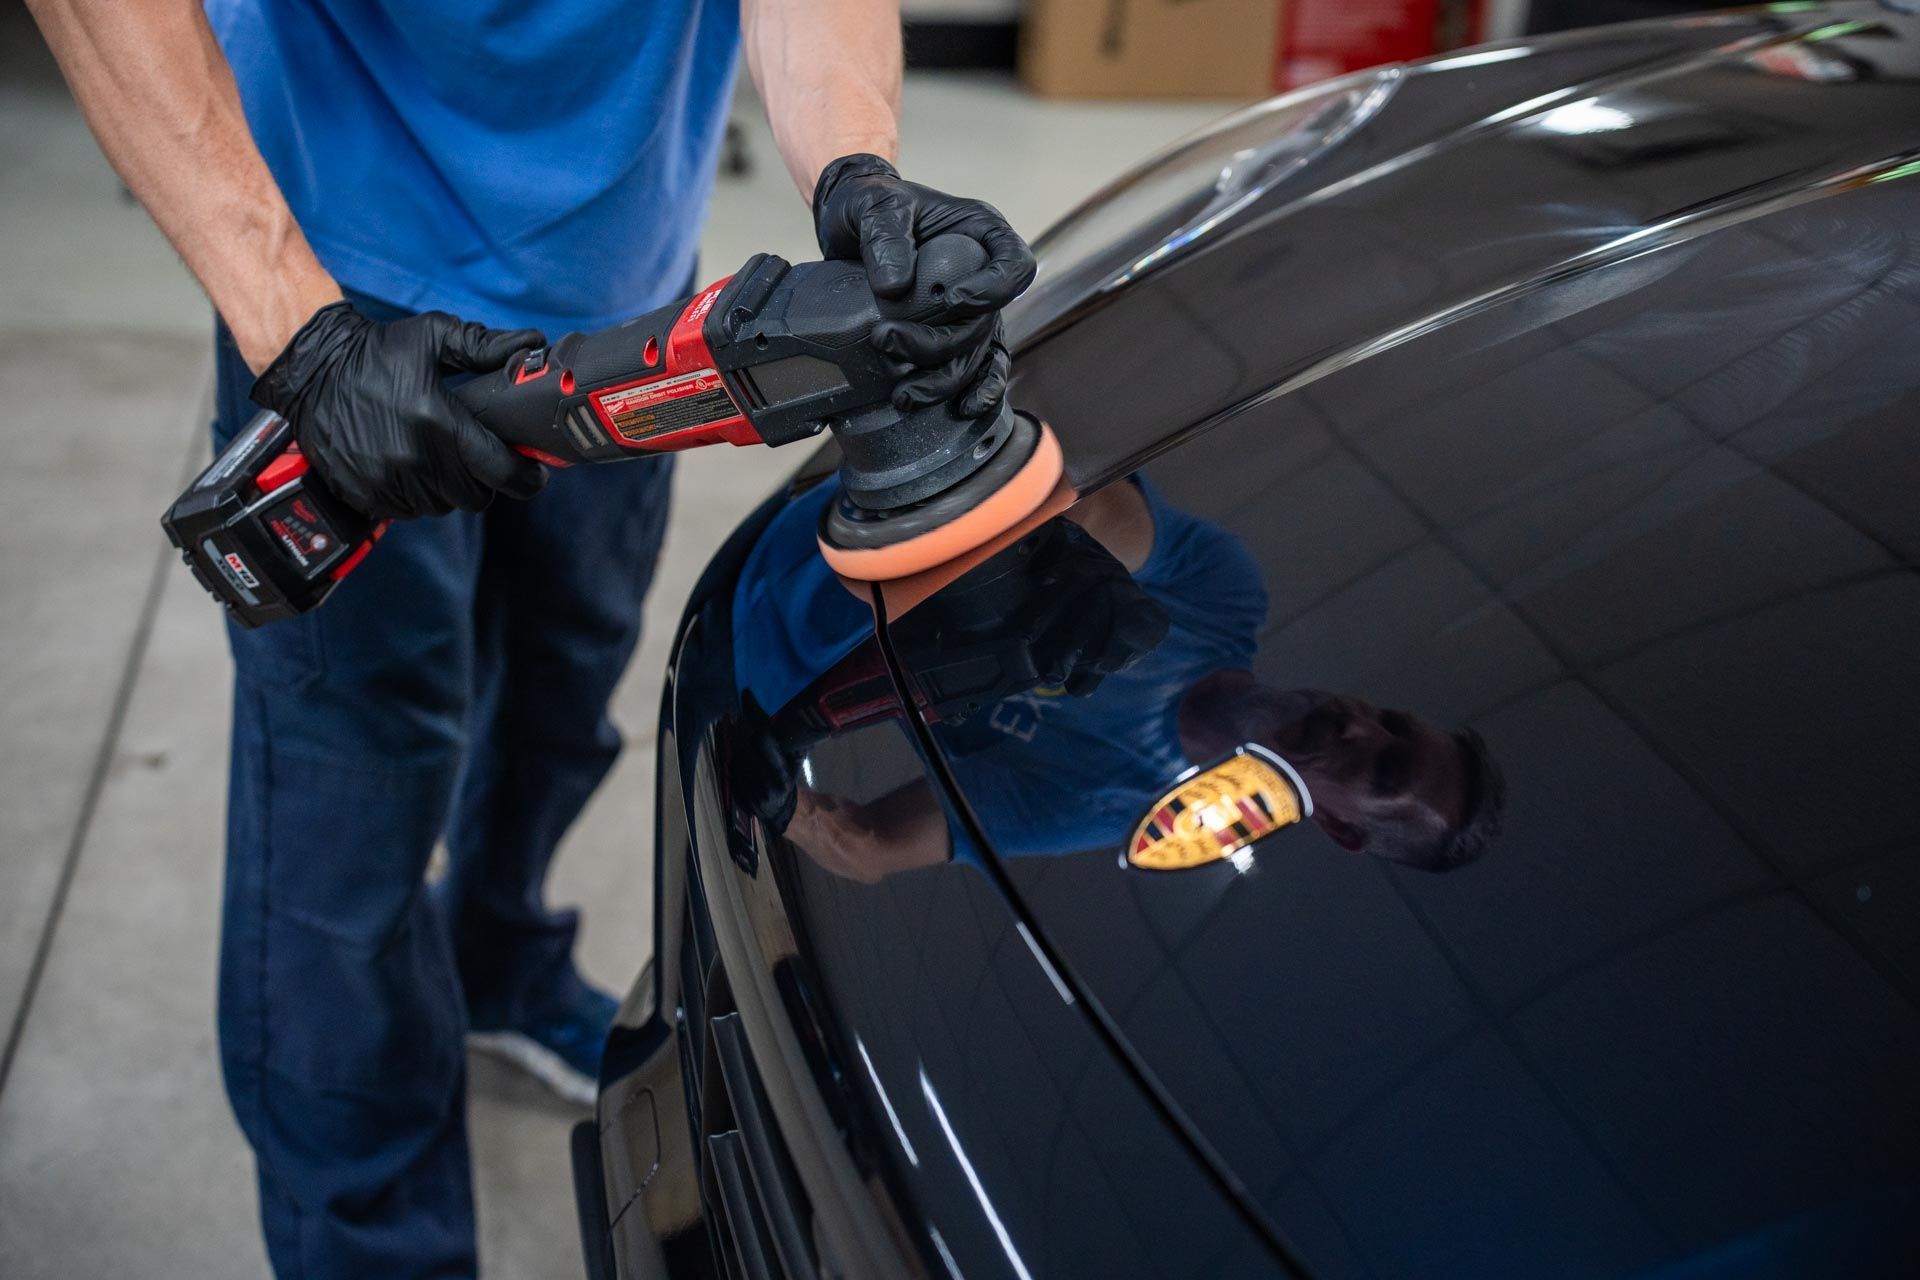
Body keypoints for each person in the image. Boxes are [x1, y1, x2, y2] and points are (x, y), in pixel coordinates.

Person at [24, 0, 1034, 1275]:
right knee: (352, 809)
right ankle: (373, 1243)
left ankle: (497, 954)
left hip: (623, 299)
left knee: (565, 691)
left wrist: (855, 167)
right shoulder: (321, 316)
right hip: (345, 286)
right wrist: (301, 332)